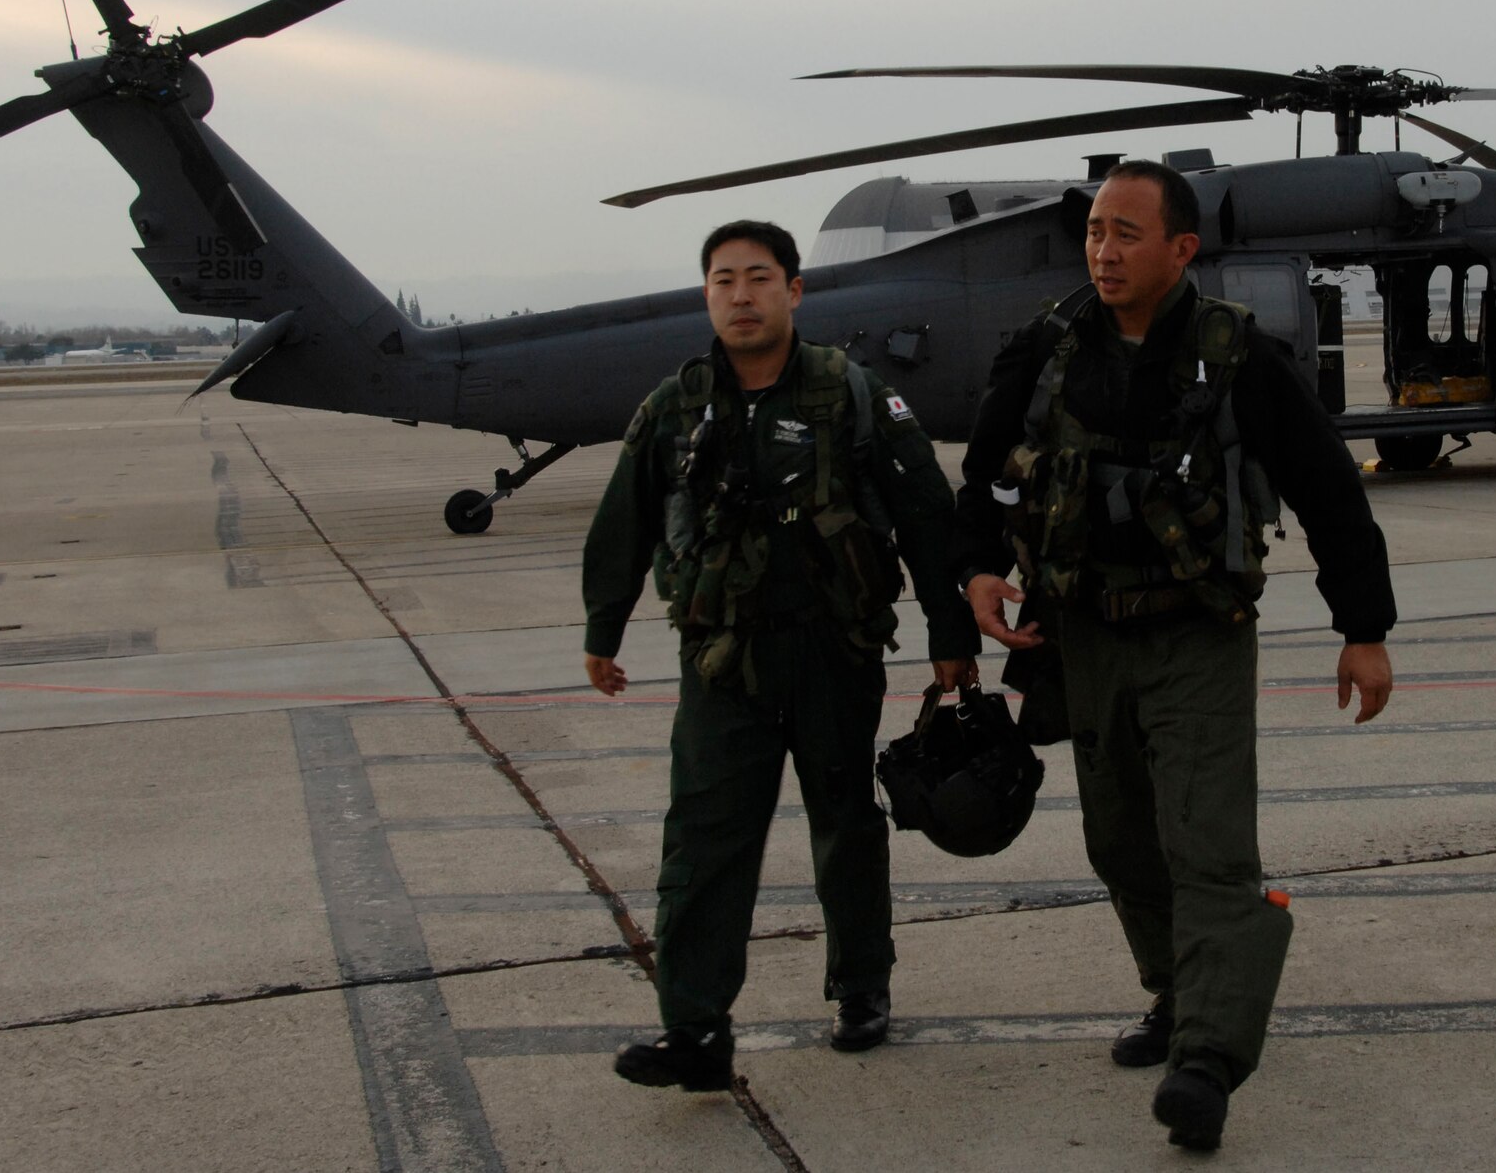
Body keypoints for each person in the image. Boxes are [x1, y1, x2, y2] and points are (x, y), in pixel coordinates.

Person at [954, 161, 1395, 1151]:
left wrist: (1362, 629)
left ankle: (1207, 1058)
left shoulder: (1238, 357)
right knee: (1118, 840)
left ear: (1181, 249)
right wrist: (977, 567)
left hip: (1196, 633)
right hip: (1082, 635)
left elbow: (1329, 492)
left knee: (1207, 843)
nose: (1102, 251)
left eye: (1126, 233)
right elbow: (983, 476)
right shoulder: (1047, 347)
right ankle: (1177, 992)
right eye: (1094, 232)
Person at [583, 219, 979, 1092]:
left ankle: (862, 986)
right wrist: (601, 629)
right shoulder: (676, 406)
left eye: (759, 278)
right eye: (723, 280)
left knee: (845, 822)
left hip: (833, 650)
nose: (741, 295)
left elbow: (926, 513)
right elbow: (624, 520)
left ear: (794, 291)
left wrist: (951, 637)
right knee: (703, 837)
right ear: (706, 295)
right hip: (723, 662)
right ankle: (695, 1027)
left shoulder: (853, 392)